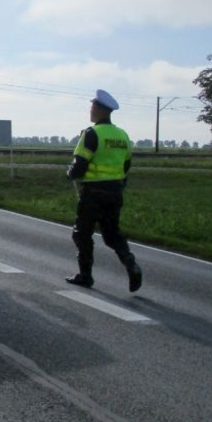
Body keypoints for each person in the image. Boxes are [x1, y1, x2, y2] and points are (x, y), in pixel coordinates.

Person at [65, 89, 143, 292]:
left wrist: (70, 174)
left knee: (81, 234)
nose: (90, 110)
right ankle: (130, 263)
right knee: (112, 234)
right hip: (115, 192)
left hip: (92, 193)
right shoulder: (122, 135)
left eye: (92, 106)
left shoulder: (92, 134)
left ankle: (85, 276)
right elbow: (126, 166)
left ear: (100, 109)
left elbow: (80, 165)